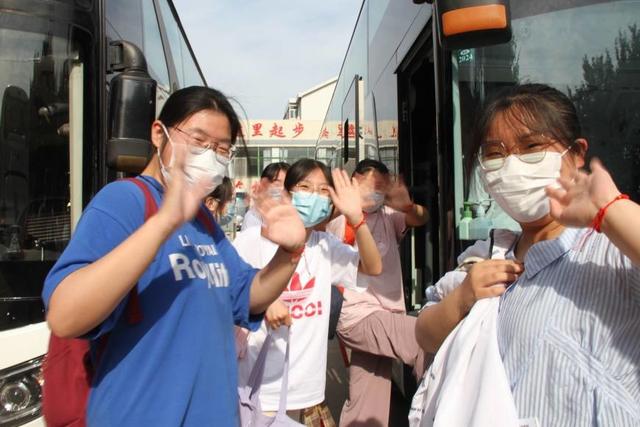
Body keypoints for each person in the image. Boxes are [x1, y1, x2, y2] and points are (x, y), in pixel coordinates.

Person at [42, 86, 307, 426]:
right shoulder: (124, 201)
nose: (210, 156)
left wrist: (289, 252)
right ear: (159, 133)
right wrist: (164, 223)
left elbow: (248, 297)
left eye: (221, 149)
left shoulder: (203, 221)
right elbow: (65, 316)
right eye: (198, 141)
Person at [415, 84, 640, 425]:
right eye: (495, 154)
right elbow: (424, 333)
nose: (512, 166)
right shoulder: (486, 255)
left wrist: (609, 212)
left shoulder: (612, 247)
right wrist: (462, 298)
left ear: (576, 153)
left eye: (532, 147)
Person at [233, 158, 382, 425]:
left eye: (324, 191)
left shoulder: (324, 246)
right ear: (288, 194)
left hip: (309, 393)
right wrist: (263, 302)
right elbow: (226, 297)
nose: (315, 197)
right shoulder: (249, 242)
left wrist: (357, 219)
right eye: (305, 187)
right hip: (260, 389)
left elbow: (372, 267)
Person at [325, 159, 430, 427]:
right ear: (354, 182)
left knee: (368, 401)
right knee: (425, 339)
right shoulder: (341, 219)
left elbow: (421, 217)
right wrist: (349, 209)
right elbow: (332, 227)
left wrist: (406, 205)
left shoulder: (388, 216)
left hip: (385, 314)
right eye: (372, 185)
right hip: (359, 315)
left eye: (383, 188)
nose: (377, 192)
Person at [242, 161, 290, 230]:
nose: (283, 189)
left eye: (287, 184)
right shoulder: (254, 216)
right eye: (277, 184)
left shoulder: (298, 216)